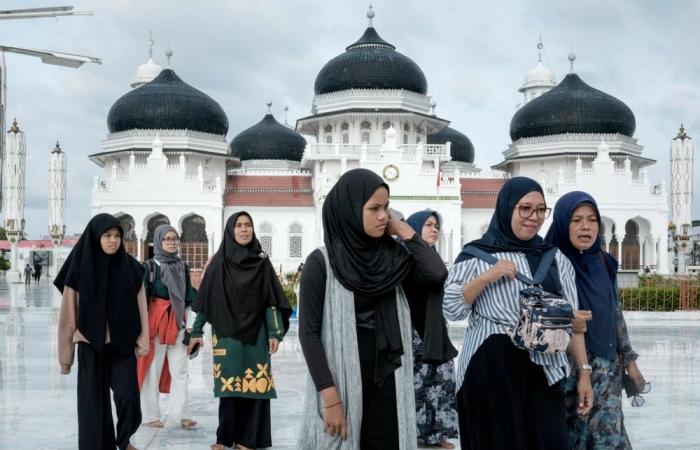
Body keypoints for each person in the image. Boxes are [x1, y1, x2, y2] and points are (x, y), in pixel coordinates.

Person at [297, 168, 451, 449]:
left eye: (387, 208)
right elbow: (308, 334)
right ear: (350, 210)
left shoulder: (393, 258)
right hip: (341, 383)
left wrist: (404, 230)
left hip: (389, 377)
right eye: (374, 208)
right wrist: (330, 398)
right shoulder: (322, 263)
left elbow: (437, 273)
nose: (383, 216)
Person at [443, 177, 593, 450]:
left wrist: (584, 373)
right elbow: (451, 309)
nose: (533, 217)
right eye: (525, 208)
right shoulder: (475, 255)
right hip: (491, 365)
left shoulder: (556, 259)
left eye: (540, 210)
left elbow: (573, 325)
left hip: (545, 368)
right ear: (507, 208)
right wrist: (487, 276)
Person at [545, 191, 646, 449]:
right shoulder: (549, 264)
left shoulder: (603, 261)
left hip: (607, 370)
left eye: (592, 219)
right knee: (573, 437)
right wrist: (582, 371)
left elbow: (615, 313)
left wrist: (630, 361)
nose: (586, 226)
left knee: (609, 438)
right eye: (576, 220)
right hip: (566, 371)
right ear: (561, 222)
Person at [188, 211, 292, 450]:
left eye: (248, 225)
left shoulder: (261, 260)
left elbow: (271, 299)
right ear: (230, 230)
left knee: (255, 387)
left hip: (256, 333)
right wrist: (196, 332)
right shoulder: (218, 261)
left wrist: (275, 333)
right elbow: (206, 300)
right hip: (226, 334)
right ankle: (224, 438)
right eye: (239, 225)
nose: (244, 230)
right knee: (229, 387)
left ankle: (248, 439)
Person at [56, 213, 149, 450]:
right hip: (90, 344)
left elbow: (141, 309)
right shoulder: (78, 270)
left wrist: (142, 343)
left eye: (117, 235)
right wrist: (65, 359)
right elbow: (68, 318)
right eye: (107, 235)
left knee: (129, 397)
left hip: (122, 345)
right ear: (95, 237)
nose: (113, 241)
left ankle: (124, 439)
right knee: (92, 405)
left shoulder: (132, 269)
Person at [405, 210, 459, 449]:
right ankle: (412, 431)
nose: (435, 229)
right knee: (417, 382)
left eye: (437, 225)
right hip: (413, 331)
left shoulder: (433, 258)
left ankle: (436, 435)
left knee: (439, 381)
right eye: (428, 225)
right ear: (414, 228)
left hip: (435, 329)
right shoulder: (405, 258)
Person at [137, 224, 198, 429]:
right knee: (152, 370)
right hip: (156, 325)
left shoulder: (183, 267)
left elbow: (188, 299)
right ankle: (150, 415)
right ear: (159, 242)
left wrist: (190, 328)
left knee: (181, 371)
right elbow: (141, 300)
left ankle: (181, 415)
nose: (172, 242)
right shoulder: (149, 267)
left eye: (175, 239)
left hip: (178, 325)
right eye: (167, 239)